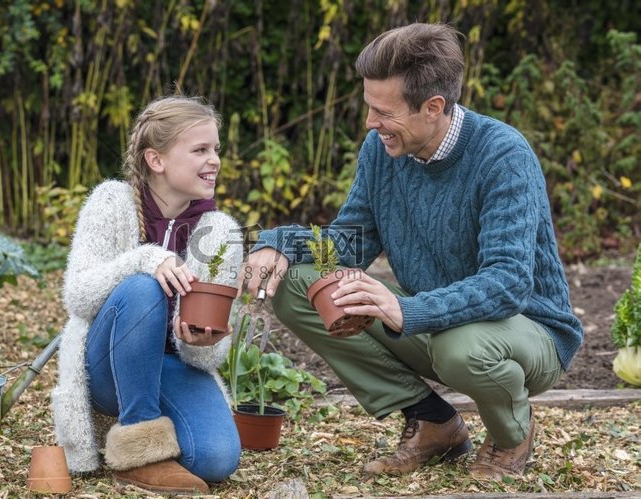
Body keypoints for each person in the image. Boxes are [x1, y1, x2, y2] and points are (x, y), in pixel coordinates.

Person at [243, 23, 583, 480]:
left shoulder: (502, 155)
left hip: (528, 332)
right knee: (299, 287)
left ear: (433, 107)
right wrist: (278, 244)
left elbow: (508, 283)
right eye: (368, 107)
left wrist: (407, 310)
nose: (370, 123)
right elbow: (353, 241)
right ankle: (433, 422)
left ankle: (510, 435)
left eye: (383, 112)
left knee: (459, 348)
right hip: (433, 322)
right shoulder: (381, 150)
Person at [52, 95, 243, 495]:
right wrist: (144, 259)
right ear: (156, 160)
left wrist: (203, 341)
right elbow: (78, 295)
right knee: (143, 286)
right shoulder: (112, 202)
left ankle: (157, 429)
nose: (215, 161)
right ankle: (140, 447)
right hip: (105, 367)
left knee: (217, 460)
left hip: (170, 368)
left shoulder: (220, 231)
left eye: (216, 150)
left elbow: (207, 356)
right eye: (200, 150)